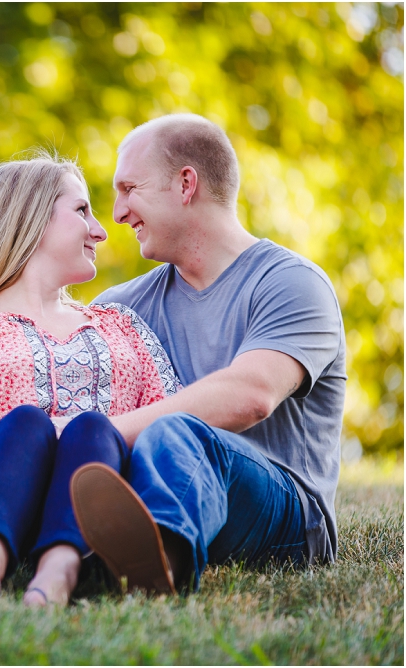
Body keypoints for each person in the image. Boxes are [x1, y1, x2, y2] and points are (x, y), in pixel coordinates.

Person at [63, 113, 345, 594]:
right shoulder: (120, 307)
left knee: (176, 433)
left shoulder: (291, 283)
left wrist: (98, 433)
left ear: (185, 183)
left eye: (130, 188)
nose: (117, 213)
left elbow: (250, 395)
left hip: (286, 518)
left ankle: (159, 565)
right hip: (149, 480)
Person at [0, 153, 182, 606]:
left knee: (93, 427)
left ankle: (58, 571)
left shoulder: (122, 325)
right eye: (81, 211)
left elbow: (167, 434)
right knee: (26, 422)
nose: (100, 229)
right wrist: (44, 436)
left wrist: (81, 437)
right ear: (29, 218)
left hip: (97, 512)